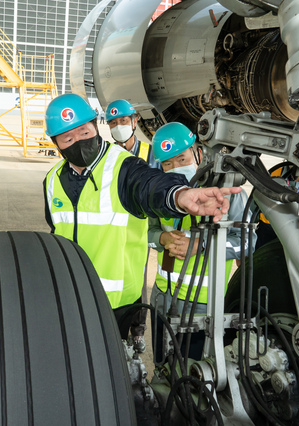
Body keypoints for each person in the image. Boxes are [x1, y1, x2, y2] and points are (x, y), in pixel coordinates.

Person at [42, 93, 240, 349]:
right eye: (68, 138)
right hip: (74, 297)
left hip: (118, 304)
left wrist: (179, 195)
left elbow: (150, 186)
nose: (78, 141)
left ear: (94, 126)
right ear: (56, 143)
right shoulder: (51, 181)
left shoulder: (123, 167)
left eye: (83, 132)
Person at [148, 122, 252, 360]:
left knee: (195, 377)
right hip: (162, 298)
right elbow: (149, 234)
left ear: (197, 152)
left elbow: (248, 243)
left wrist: (200, 245)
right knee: (163, 369)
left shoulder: (226, 191)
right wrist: (162, 238)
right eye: (168, 163)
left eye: (182, 159)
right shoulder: (161, 194)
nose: (176, 167)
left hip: (202, 305)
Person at [106, 99, 157, 167]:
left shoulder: (152, 154)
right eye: (113, 123)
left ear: (134, 121)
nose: (118, 127)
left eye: (123, 120)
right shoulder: (107, 155)